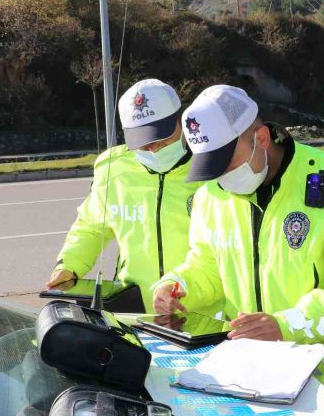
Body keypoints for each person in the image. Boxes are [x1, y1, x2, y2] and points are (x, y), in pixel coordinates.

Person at [152, 85, 324, 416]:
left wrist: (286, 324)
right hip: (251, 376)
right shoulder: (211, 195)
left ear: (261, 138)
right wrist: (177, 286)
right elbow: (207, 265)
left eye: (226, 162)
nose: (220, 177)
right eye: (211, 167)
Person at [45, 79, 204, 312]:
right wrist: (69, 265)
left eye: (161, 137)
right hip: (134, 309)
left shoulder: (210, 168)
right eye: (144, 142)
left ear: (181, 120)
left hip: (201, 309)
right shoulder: (114, 169)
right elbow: (91, 226)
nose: (154, 148)